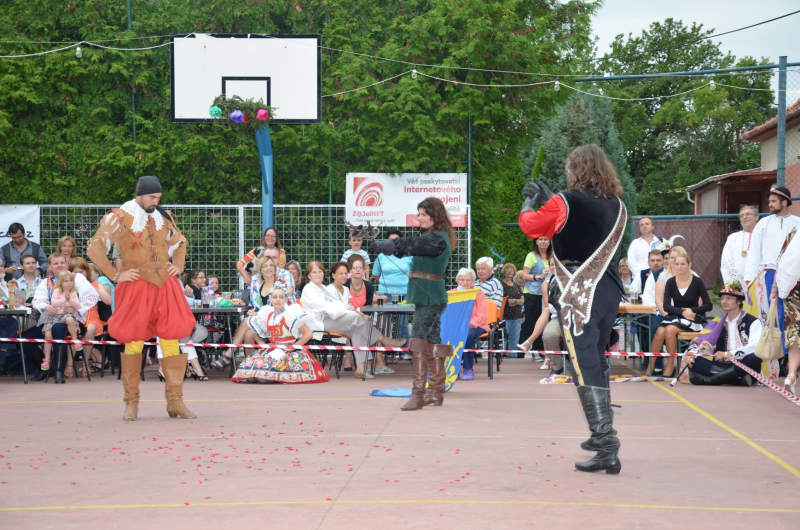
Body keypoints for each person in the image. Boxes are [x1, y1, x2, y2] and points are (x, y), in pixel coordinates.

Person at [518, 144, 626, 474]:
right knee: (597, 358)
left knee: (583, 363)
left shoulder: (566, 201)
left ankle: (606, 444)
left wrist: (528, 205)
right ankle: (601, 433)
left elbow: (533, 227)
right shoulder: (618, 205)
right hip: (608, 291)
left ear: (575, 169)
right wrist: (554, 199)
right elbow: (580, 226)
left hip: (581, 292)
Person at [87, 175, 197, 421]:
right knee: (134, 340)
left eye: (158, 197)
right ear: (140, 194)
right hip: (136, 286)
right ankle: (131, 404)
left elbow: (180, 243)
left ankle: (175, 402)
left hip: (165, 285)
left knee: (170, 338)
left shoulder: (164, 217)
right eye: (151, 197)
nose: (155, 202)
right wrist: (116, 275)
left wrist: (178, 267)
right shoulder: (119, 216)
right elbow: (95, 247)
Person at [372, 197, 455, 410]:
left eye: (424, 214)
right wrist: (389, 246)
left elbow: (410, 244)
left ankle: (418, 395)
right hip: (429, 296)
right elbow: (411, 246)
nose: (419, 218)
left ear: (435, 216)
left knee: (417, 343)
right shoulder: (435, 237)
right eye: (419, 214)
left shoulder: (437, 239)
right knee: (433, 342)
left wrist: (389, 244)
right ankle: (435, 393)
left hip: (429, 297)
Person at [300, 261, 406, 380]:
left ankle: (360, 369)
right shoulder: (309, 289)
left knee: (357, 330)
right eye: (314, 272)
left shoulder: (323, 288)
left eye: (320, 271)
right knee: (356, 317)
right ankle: (383, 339)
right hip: (320, 322)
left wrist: (345, 308)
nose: (318, 274)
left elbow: (336, 305)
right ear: (308, 275)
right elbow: (325, 306)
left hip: (333, 318)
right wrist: (346, 309)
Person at [232, 281, 329, 384]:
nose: (278, 300)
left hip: (288, 353)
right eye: (275, 297)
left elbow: (308, 334)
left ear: (286, 299)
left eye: (281, 297)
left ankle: (278, 376)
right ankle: (276, 376)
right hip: (272, 350)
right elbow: (255, 328)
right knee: (250, 377)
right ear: (270, 299)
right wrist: (262, 344)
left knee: (261, 378)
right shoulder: (267, 314)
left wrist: (292, 347)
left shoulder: (290, 314)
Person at [744, 187, 800, 351]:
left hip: (793, 276)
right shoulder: (763, 223)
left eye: (773, 201)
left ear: (784, 202)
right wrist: (749, 278)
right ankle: (775, 354)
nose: (769, 204)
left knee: (791, 316)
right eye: (769, 201)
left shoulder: (797, 223)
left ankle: (790, 355)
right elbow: (754, 252)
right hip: (768, 275)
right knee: (772, 315)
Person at [31, 252, 99, 383]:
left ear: (67, 264)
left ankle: (59, 371)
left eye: (62, 262)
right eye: (55, 263)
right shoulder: (46, 283)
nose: (59, 265)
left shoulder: (77, 278)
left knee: (58, 328)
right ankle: (47, 368)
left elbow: (91, 296)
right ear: (49, 266)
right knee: (25, 339)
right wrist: (46, 307)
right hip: (51, 320)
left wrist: (76, 307)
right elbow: (37, 301)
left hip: (73, 322)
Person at [684, 281, 762, 386]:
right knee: (695, 362)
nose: (724, 301)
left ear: (739, 301)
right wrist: (691, 354)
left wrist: (728, 354)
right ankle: (736, 380)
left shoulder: (753, 321)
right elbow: (702, 341)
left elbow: (755, 346)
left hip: (743, 364)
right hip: (723, 365)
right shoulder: (718, 322)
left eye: (729, 298)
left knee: (754, 357)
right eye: (722, 298)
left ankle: (712, 380)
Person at [651, 253, 712, 378]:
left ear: (689, 265)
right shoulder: (670, 282)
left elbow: (708, 305)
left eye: (683, 264)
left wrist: (692, 310)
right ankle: (650, 367)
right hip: (677, 317)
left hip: (693, 319)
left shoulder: (697, 282)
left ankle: (670, 366)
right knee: (659, 332)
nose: (680, 267)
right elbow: (666, 306)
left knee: (669, 330)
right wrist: (682, 312)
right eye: (677, 264)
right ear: (673, 265)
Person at [39, 271, 82, 379]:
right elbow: (53, 303)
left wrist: (70, 300)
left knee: (70, 319)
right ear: (60, 282)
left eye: (71, 280)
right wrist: (64, 299)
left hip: (65, 314)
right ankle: (47, 359)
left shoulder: (73, 292)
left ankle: (75, 340)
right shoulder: (57, 290)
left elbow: (78, 305)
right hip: (53, 316)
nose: (69, 283)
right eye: (66, 281)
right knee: (48, 335)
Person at [450, 268, 488, 381]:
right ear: (457, 281)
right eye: (462, 280)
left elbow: (482, 315)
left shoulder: (479, 293)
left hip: (477, 325)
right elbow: (448, 313)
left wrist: (468, 325)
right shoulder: (451, 294)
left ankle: (468, 368)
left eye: (468, 280)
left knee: (467, 335)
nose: (465, 283)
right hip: (456, 325)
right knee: (449, 335)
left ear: (473, 281)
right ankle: (452, 369)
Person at [775, 230, 800, 394]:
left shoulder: (793, 236)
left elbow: (781, 265)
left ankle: (791, 374)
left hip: (793, 290)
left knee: (794, 333)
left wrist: (774, 289)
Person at [520, 236, 553, 355]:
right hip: (533, 293)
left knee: (547, 321)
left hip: (549, 293)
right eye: (540, 239)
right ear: (536, 242)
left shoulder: (553, 256)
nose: (543, 241)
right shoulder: (531, 256)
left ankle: (544, 350)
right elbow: (524, 275)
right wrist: (539, 276)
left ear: (550, 241)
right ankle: (534, 350)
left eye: (545, 239)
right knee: (532, 322)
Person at [721, 205, 758, 285]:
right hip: (738, 284)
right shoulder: (732, 238)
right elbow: (726, 261)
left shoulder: (762, 236)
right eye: (741, 216)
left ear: (756, 217)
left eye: (748, 214)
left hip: (759, 282)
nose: (745, 217)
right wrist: (738, 280)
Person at [372, 229, 411, 298]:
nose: (394, 241)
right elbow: (375, 274)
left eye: (397, 239)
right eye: (391, 240)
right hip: (385, 294)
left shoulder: (408, 255)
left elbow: (415, 273)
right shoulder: (381, 256)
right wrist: (387, 284)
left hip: (405, 293)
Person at [500, 263, 524, 356]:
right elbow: (507, 302)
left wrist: (515, 301)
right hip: (505, 317)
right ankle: (501, 358)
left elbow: (523, 301)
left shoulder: (516, 285)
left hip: (517, 316)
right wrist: (518, 301)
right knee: (503, 339)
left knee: (515, 341)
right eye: (507, 269)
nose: (510, 271)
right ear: (503, 272)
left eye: (512, 270)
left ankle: (513, 358)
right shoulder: (500, 284)